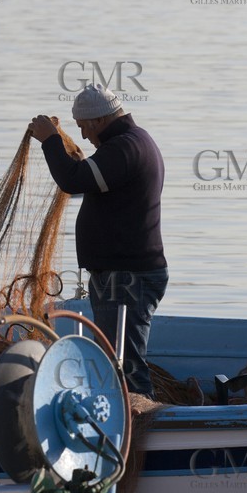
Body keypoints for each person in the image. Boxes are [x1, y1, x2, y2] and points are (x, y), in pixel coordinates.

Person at [29, 85, 166, 396]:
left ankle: (142, 427)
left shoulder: (124, 148)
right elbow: (85, 180)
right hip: (124, 275)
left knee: (125, 366)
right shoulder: (133, 141)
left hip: (128, 278)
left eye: (83, 128)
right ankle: (129, 425)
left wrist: (51, 140)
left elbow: (72, 180)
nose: (84, 136)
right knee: (114, 360)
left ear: (99, 120)